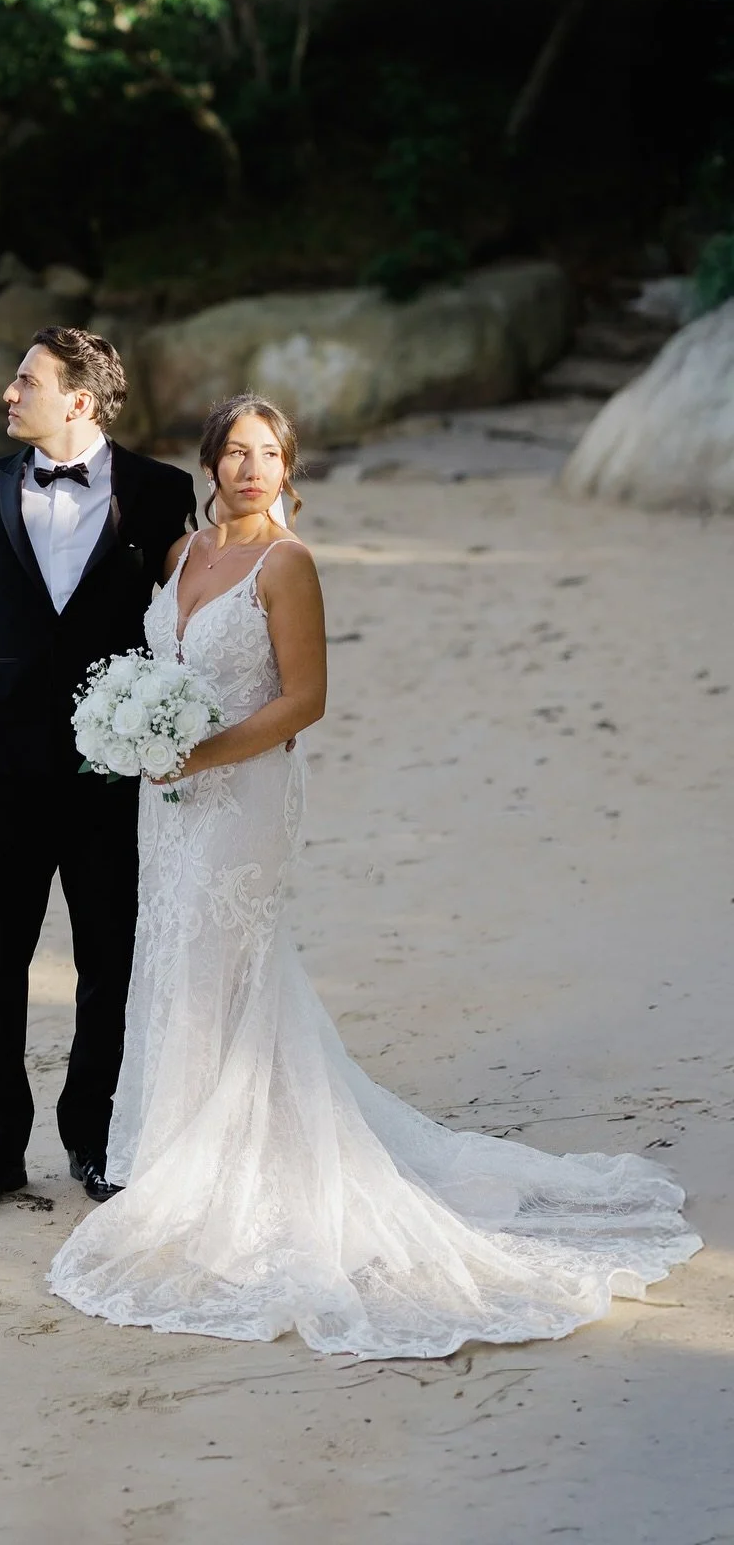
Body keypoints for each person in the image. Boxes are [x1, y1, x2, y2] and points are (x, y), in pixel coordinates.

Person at [47, 393, 701, 1358]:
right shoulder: (182, 556)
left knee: (228, 962)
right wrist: (140, 737)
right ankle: (184, 1156)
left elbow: (305, 700)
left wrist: (202, 755)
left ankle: (234, 1177)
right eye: (234, 452)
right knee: (177, 960)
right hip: (171, 800)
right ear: (210, 463)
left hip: (246, 794)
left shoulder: (289, 564)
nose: (251, 468)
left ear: (289, 467)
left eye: (268, 453)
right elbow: (161, 668)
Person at [0, 327, 197, 1218]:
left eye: (26, 382)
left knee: (109, 962)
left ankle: (96, 1138)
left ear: (78, 400)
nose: (9, 394)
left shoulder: (160, 493)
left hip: (110, 776)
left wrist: (165, 733)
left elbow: (186, 622)